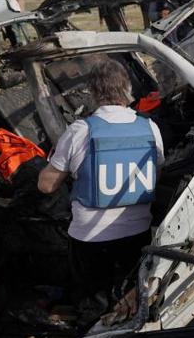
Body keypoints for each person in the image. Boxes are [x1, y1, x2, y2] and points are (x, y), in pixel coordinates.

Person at [38, 59, 164, 307]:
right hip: (138, 234)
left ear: (93, 92)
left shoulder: (80, 130)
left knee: (92, 302)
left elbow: (46, 186)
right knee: (132, 296)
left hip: (90, 239)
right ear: (127, 88)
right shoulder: (150, 127)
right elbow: (155, 174)